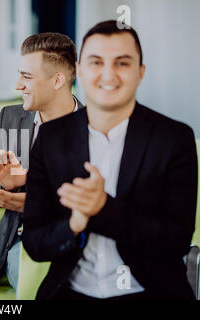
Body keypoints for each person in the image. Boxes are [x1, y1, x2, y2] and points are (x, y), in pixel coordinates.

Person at [22, 20, 198, 300]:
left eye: (122, 63)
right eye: (95, 62)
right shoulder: (51, 139)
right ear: (78, 71)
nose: (108, 74)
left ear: (140, 73)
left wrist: (103, 209)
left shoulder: (174, 139)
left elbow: (176, 242)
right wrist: (75, 223)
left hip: (150, 291)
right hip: (71, 291)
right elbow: (34, 242)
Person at [0, 32, 83, 290]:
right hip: (22, 241)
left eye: (26, 77)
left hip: (83, 240)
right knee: (36, 276)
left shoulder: (93, 126)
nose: (18, 85)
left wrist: (36, 202)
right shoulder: (10, 119)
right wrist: (7, 188)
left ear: (57, 80)